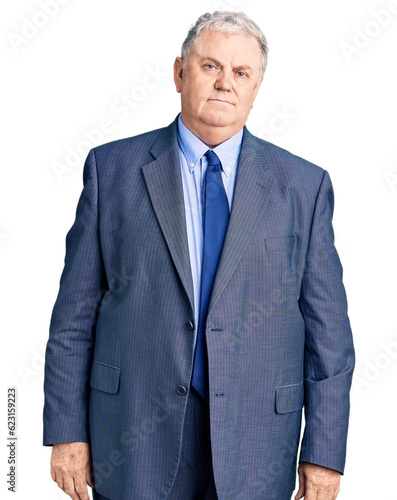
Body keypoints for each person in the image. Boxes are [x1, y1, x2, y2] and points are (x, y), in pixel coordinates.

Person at [43, 10, 355, 500]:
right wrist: (66, 431)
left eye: (241, 72)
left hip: (257, 442)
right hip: (132, 435)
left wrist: (323, 453)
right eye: (210, 66)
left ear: (255, 90)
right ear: (179, 73)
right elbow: (73, 319)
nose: (225, 83)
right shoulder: (113, 170)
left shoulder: (304, 186)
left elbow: (329, 336)